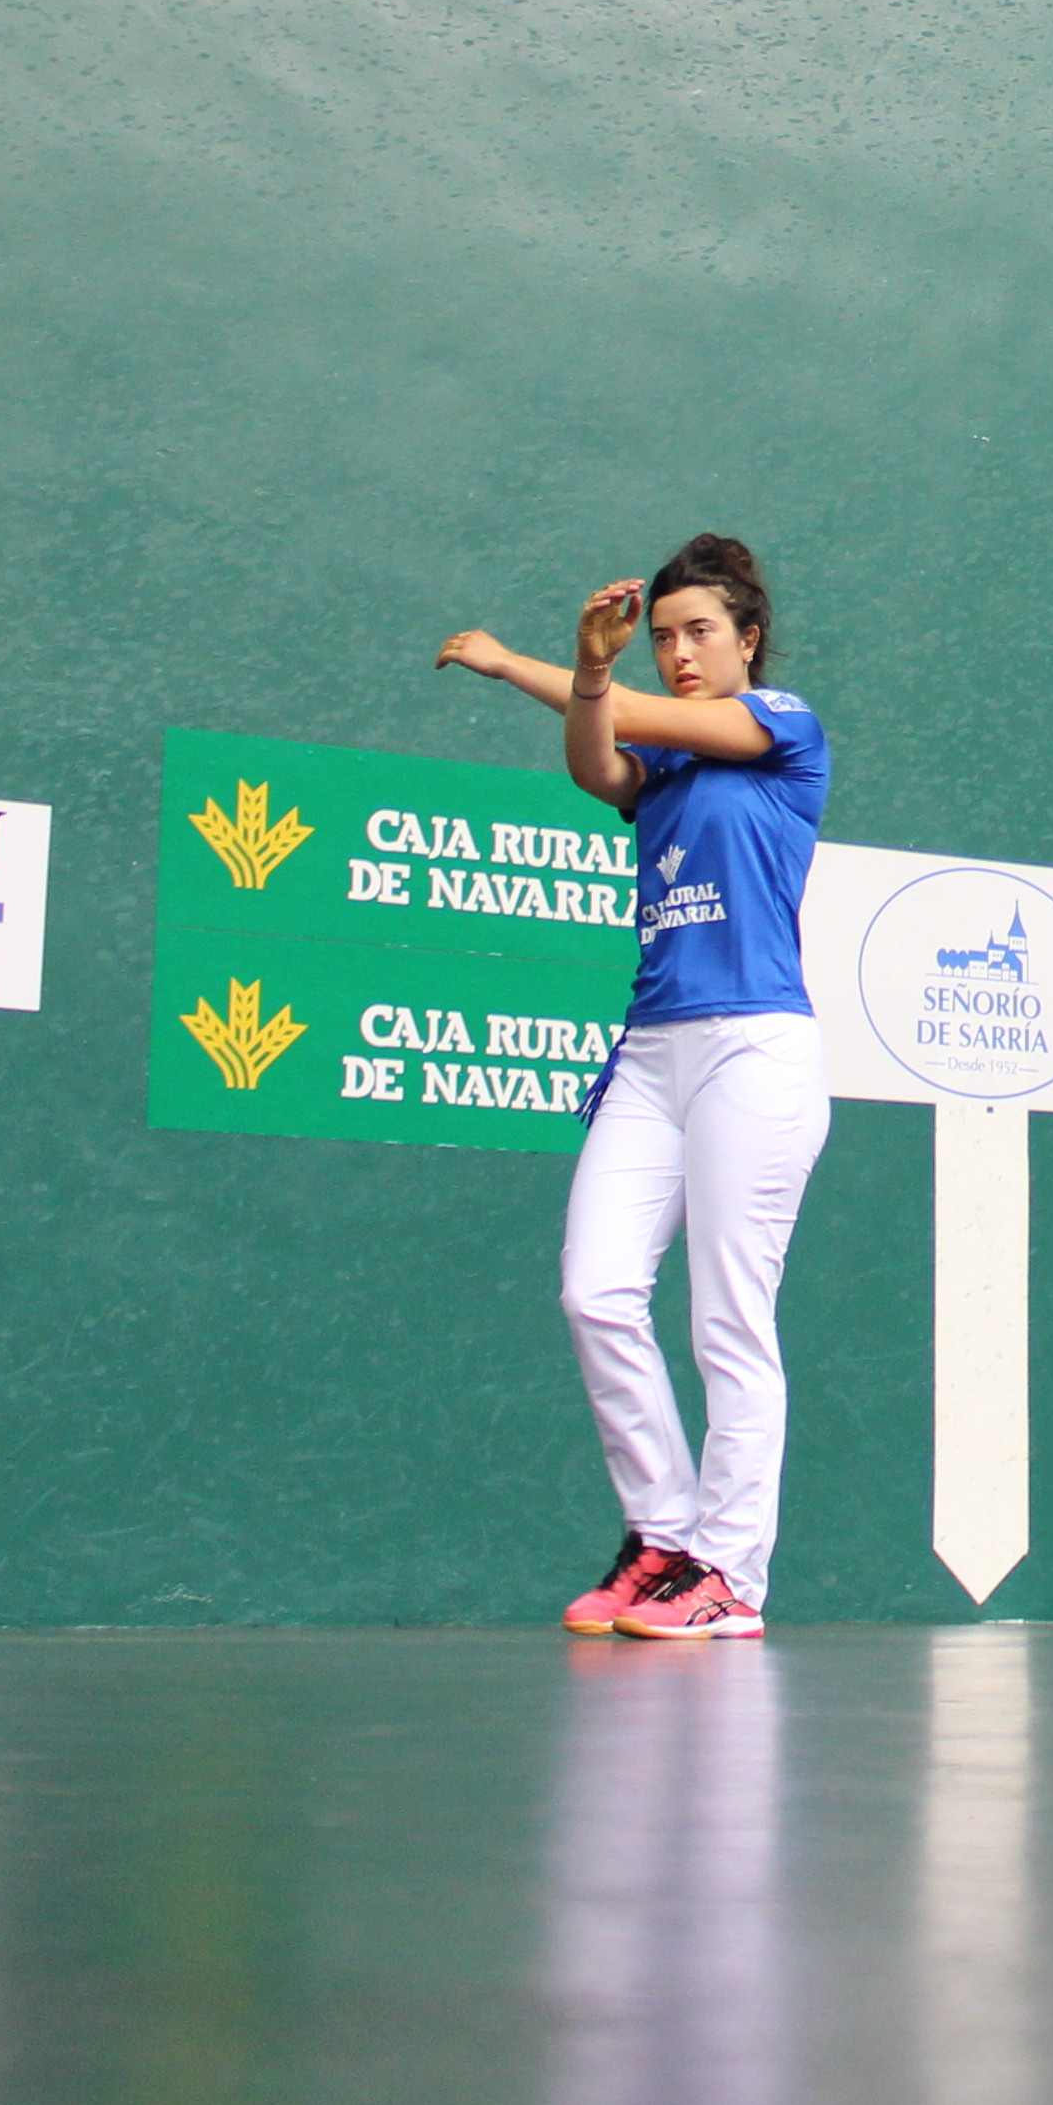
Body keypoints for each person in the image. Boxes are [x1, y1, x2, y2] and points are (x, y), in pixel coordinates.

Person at [440, 535, 828, 1642]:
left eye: (699, 631)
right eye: (663, 637)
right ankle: (663, 1534)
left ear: (748, 639)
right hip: (652, 1055)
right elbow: (597, 763)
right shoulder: (656, 759)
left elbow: (637, 724)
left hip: (754, 1050)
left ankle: (731, 1579)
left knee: (728, 1323)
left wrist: (521, 663)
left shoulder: (783, 725)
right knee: (596, 1289)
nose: (680, 651)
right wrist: (592, 672)